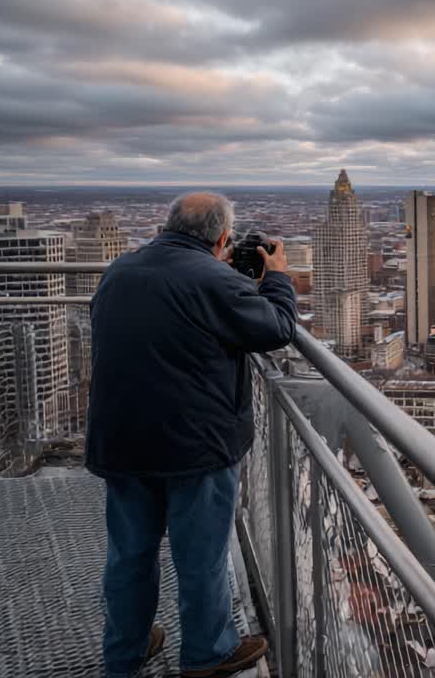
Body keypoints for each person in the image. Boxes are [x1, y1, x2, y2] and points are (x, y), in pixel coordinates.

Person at [86, 191, 296, 678]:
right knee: (200, 555)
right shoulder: (215, 279)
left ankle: (125, 652)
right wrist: (278, 277)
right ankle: (207, 652)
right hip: (194, 443)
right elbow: (277, 327)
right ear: (222, 237)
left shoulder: (120, 270)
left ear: (168, 225)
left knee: (130, 554)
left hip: (120, 438)